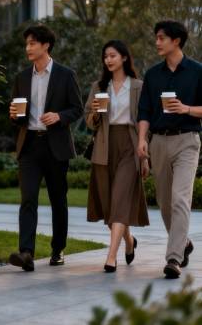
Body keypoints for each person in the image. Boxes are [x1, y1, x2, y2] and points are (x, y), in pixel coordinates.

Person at [8, 24, 83, 271]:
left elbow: (77, 109)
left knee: (58, 200)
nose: (27, 48)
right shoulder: (21, 77)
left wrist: (59, 116)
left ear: (46, 45)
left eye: (32, 43)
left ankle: (58, 249)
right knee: (28, 198)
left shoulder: (65, 75)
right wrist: (14, 115)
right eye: (27, 44)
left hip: (55, 147)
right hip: (29, 145)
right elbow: (18, 114)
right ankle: (26, 253)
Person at [137, 20, 202, 279]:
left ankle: (173, 258)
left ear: (176, 41)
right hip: (158, 142)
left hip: (187, 140)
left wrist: (187, 109)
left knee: (180, 200)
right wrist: (142, 140)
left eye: (161, 38)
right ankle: (183, 243)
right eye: (156, 37)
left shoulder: (197, 71)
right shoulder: (153, 75)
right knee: (164, 203)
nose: (157, 42)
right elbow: (144, 111)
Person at [85, 40, 150, 273]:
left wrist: (145, 157)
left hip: (130, 146)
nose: (108, 60)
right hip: (104, 146)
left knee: (121, 199)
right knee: (109, 205)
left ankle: (111, 257)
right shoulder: (99, 86)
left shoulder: (139, 86)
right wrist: (95, 112)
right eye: (105, 57)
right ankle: (129, 241)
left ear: (123, 57)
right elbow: (89, 122)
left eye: (112, 55)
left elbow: (145, 121)